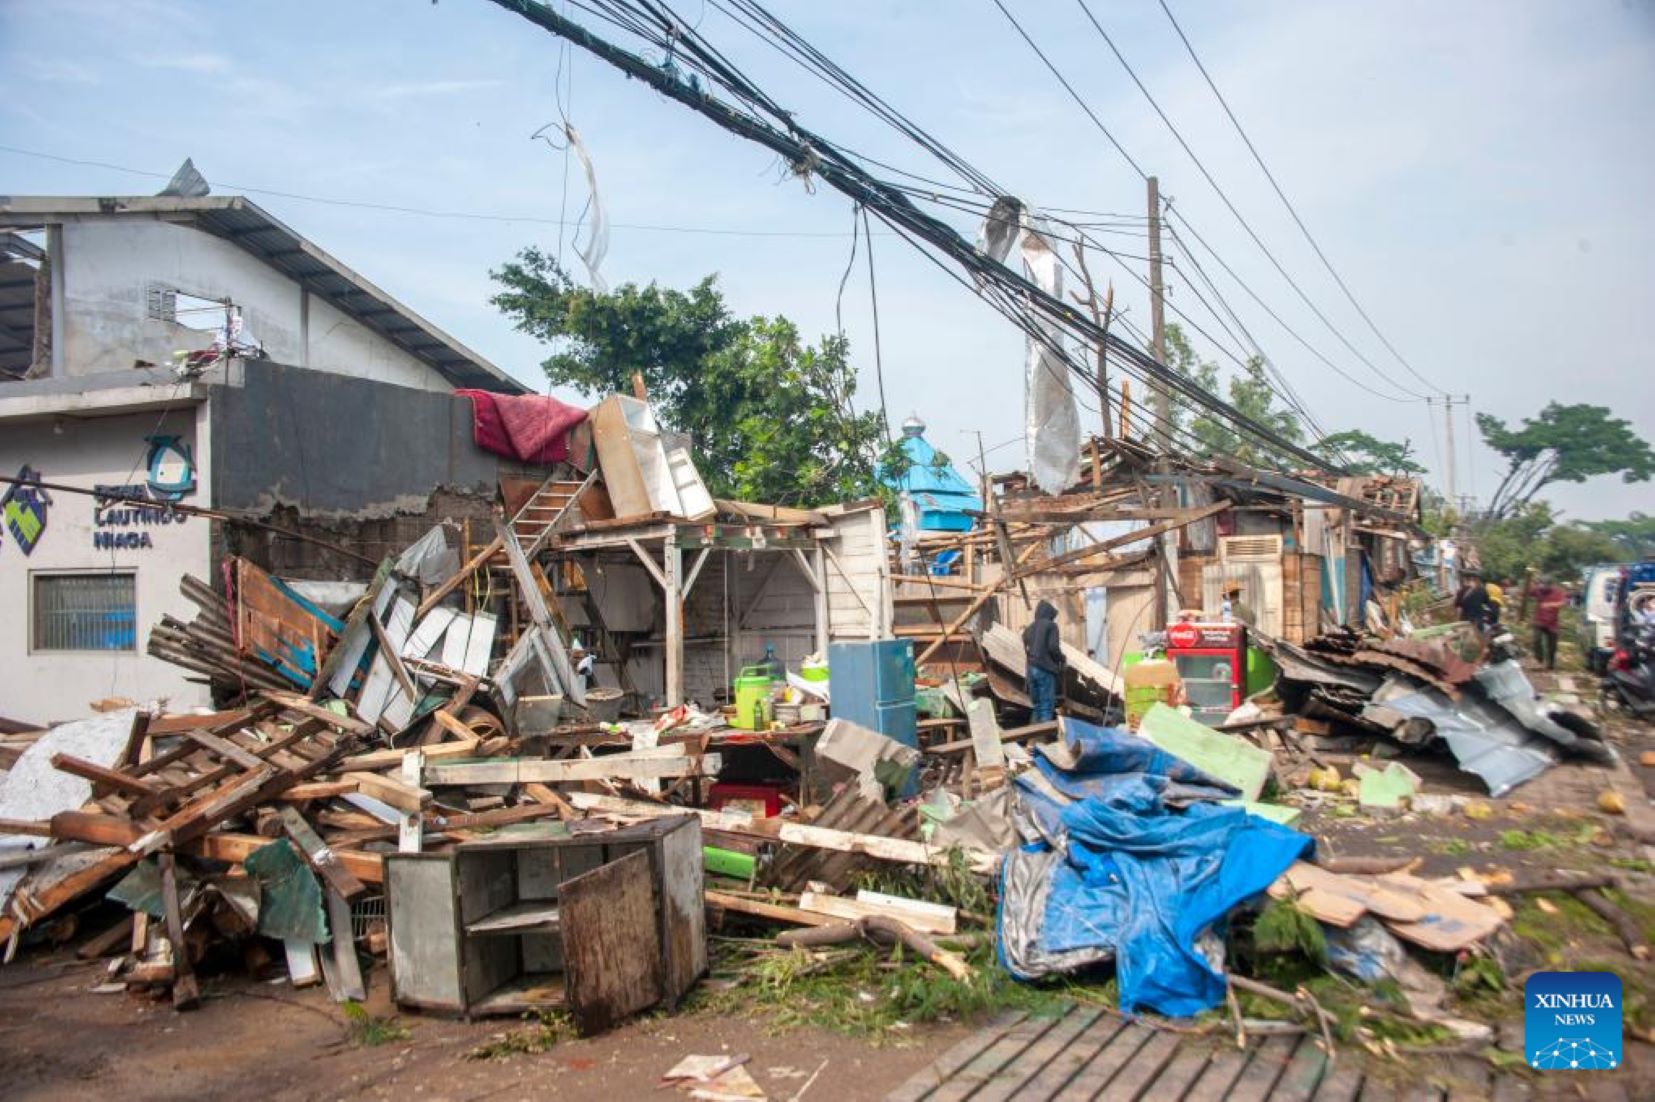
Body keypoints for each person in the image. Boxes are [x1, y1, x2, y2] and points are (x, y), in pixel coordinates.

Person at [1023, 599, 1064, 723]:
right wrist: (1061, 659)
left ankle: (1033, 739)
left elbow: (1027, 650)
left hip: (1031, 670)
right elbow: (1053, 647)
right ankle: (1044, 739)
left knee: (1037, 706)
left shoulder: (1029, 629)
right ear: (1049, 614)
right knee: (1046, 707)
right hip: (1044, 669)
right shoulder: (1051, 626)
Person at [1532, 575, 1567, 670]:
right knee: (1536, 640)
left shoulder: (1558, 592)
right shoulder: (1538, 590)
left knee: (1552, 645)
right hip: (1539, 621)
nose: (1543, 589)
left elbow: (1563, 603)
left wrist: (1551, 605)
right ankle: (1539, 659)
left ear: (1550, 585)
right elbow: (1526, 592)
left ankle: (1550, 663)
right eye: (1541, 586)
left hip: (1552, 623)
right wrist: (1530, 579)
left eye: (1545, 587)